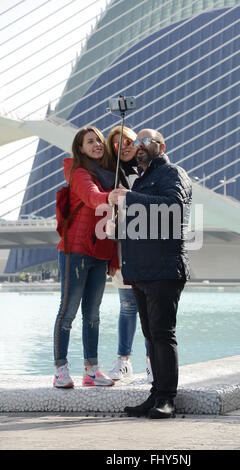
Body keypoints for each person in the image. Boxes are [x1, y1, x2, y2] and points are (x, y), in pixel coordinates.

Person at [108, 128, 192, 418]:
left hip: (164, 268)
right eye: (137, 142)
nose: (139, 146)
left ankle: (167, 398)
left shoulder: (172, 173)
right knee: (150, 334)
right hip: (142, 272)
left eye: (146, 141)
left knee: (162, 333)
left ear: (162, 146)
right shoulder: (142, 179)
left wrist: (130, 197)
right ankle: (155, 394)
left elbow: (174, 207)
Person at [53, 126, 118, 388]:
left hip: (99, 252)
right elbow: (93, 198)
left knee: (93, 314)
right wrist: (109, 196)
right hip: (76, 252)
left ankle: (91, 370)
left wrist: (113, 259)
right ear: (80, 148)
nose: (97, 145)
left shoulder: (109, 176)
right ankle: (60, 369)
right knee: (68, 311)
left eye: (100, 141)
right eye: (90, 142)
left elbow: (111, 222)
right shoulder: (79, 173)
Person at [106, 126, 152, 382]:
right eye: (116, 143)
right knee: (127, 306)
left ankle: (151, 362)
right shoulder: (109, 175)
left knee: (149, 307)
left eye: (128, 141)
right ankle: (124, 361)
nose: (123, 146)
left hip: (146, 248)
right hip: (122, 249)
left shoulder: (149, 171)